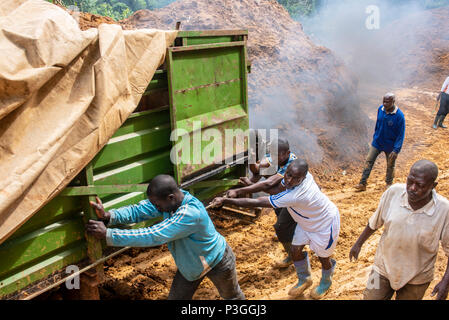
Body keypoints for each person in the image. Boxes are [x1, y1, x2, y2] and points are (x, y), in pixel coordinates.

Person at [86, 174, 245, 300]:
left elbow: (154, 235)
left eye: (157, 204)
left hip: (217, 261)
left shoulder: (190, 213)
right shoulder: (169, 203)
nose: (155, 207)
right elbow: (138, 211)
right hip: (190, 266)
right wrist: (109, 216)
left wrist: (108, 234)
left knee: (232, 297)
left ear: (171, 197)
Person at [211, 159, 340, 299]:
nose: (289, 180)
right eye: (288, 175)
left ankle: (326, 281)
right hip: (305, 222)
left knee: (323, 257)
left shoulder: (298, 195)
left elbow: (260, 201)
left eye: (295, 178)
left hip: (325, 224)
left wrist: (226, 201)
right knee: (295, 250)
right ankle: (305, 279)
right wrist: (240, 191)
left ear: (303, 177)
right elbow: (273, 188)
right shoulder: (302, 178)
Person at [349, 160, 449, 300]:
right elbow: (375, 222)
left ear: (433, 186)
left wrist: (446, 281)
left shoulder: (444, 210)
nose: (412, 188)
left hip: (417, 278)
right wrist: (358, 243)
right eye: (410, 181)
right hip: (382, 268)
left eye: (420, 185)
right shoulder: (393, 192)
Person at [228, 138, 298, 268]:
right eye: (272, 154)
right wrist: (252, 158)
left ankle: (293, 256)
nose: (273, 157)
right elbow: (257, 170)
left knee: (282, 227)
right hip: (281, 197)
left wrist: (241, 190)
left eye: (277, 155)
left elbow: (269, 184)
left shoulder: (291, 164)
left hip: (294, 199)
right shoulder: (275, 156)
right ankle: (290, 238)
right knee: (281, 217)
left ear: (287, 153)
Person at [354, 93, 406, 192]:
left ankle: (389, 185)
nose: (385, 104)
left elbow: (401, 135)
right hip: (377, 142)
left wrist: (396, 150)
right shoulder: (380, 109)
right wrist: (375, 137)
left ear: (393, 102)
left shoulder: (399, 116)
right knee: (369, 160)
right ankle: (362, 183)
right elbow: (378, 124)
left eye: (387, 102)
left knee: (390, 165)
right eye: (384, 101)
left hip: (390, 145)